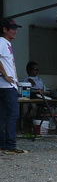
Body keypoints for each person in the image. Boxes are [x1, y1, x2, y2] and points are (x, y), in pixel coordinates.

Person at [0, 18, 24, 155]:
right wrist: (5, 75)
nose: (15, 31)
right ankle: (10, 144)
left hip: (7, 85)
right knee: (12, 114)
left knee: (3, 115)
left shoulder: (6, 43)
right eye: (13, 29)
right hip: (6, 86)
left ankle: (3, 144)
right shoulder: (2, 41)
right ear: (5, 29)